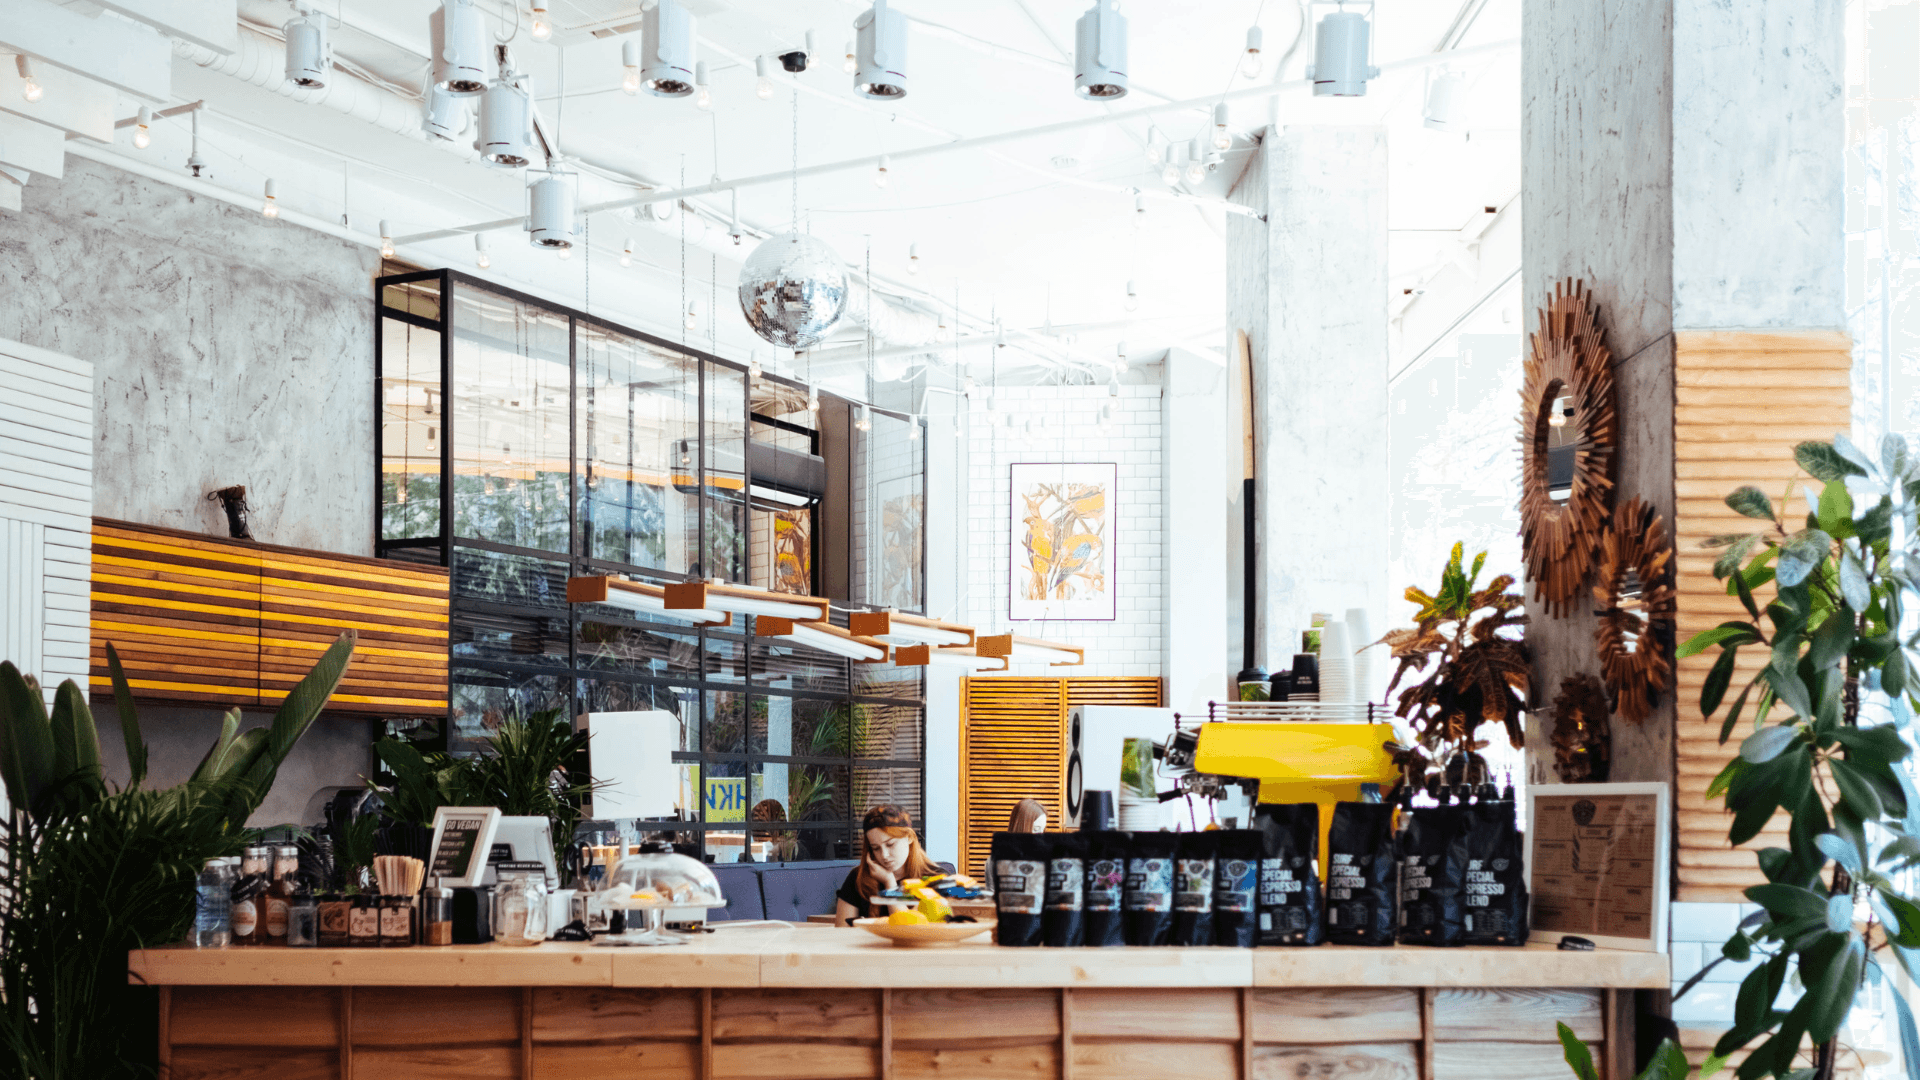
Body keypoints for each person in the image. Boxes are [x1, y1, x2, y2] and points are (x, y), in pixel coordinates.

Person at [834, 805, 941, 926]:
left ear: (909, 837)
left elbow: (908, 930)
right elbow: (841, 933)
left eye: (890, 844)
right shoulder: (857, 878)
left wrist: (889, 883)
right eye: (876, 848)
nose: (884, 855)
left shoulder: (936, 879)